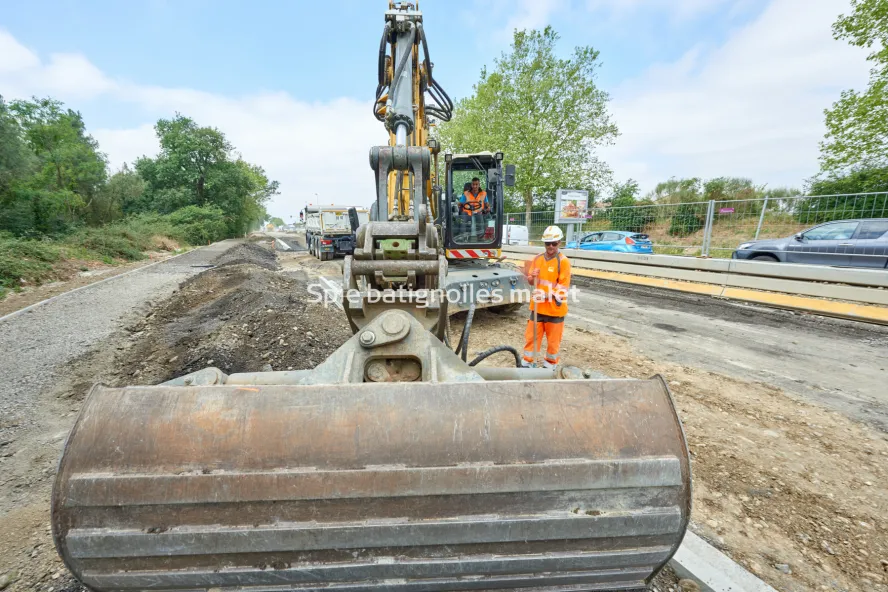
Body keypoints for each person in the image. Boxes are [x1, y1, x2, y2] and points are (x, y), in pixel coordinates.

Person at [522, 226, 571, 368]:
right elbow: (531, 281)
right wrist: (532, 276)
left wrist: (545, 295)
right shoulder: (537, 259)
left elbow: (563, 288)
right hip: (537, 308)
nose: (550, 246)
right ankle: (528, 362)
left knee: (553, 341)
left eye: (554, 243)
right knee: (531, 338)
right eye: (547, 243)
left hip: (554, 310)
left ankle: (550, 365)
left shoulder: (563, 262)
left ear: (559, 243)